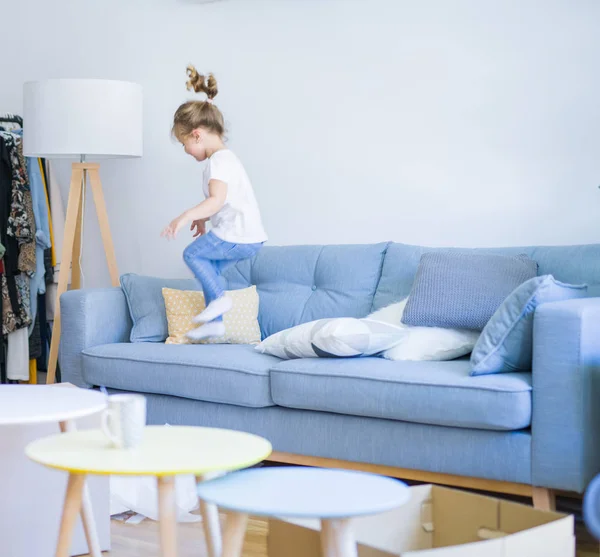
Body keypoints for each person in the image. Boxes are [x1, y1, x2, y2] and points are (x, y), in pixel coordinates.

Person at [162, 65, 267, 340]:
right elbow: (224, 201)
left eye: (185, 143)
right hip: (250, 238)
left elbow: (217, 200)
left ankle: (219, 302)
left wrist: (185, 217)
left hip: (237, 234)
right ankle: (216, 323)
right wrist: (203, 217)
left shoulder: (218, 161)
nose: (186, 151)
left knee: (192, 254)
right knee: (209, 267)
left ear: (196, 134)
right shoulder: (227, 159)